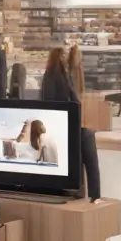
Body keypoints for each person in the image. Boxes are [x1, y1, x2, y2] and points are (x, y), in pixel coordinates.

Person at [39, 47, 101, 200]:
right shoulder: (62, 77)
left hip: (59, 127)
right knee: (91, 160)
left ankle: (78, 191)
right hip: (73, 124)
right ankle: (95, 195)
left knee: (76, 158)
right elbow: (73, 100)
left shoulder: (48, 78)